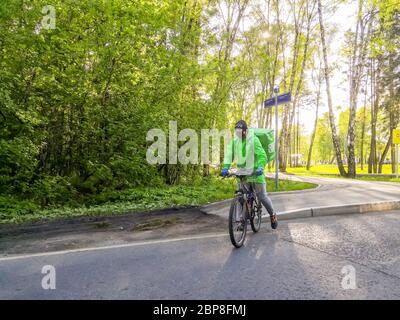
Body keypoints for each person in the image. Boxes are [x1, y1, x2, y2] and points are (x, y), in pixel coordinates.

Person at [220, 119, 278, 229]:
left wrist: (260, 166)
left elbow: (262, 155)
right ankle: (242, 221)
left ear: (246, 131)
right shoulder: (235, 141)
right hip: (243, 173)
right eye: (237, 132)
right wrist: (225, 167)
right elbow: (229, 154)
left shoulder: (253, 140)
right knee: (241, 198)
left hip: (256, 172)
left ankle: (273, 215)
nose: (239, 135)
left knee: (262, 197)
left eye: (240, 132)